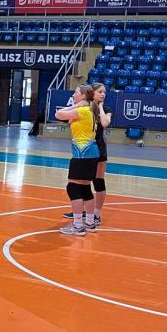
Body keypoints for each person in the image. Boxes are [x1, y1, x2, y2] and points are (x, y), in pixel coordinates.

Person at [54, 83, 100, 236]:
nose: (73, 95)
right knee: (85, 188)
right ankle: (90, 222)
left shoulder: (82, 110)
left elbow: (58, 114)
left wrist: (78, 105)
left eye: (76, 93)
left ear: (83, 96)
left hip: (82, 154)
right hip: (91, 154)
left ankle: (78, 225)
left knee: (73, 187)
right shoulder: (90, 110)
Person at [63, 83, 111, 224]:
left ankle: (96, 214)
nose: (103, 94)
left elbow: (105, 123)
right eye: (100, 92)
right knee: (83, 183)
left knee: (98, 181)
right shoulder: (84, 108)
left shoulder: (106, 109)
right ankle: (83, 212)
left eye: (104, 92)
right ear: (91, 93)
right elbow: (68, 120)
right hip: (84, 149)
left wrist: (100, 107)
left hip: (99, 149)